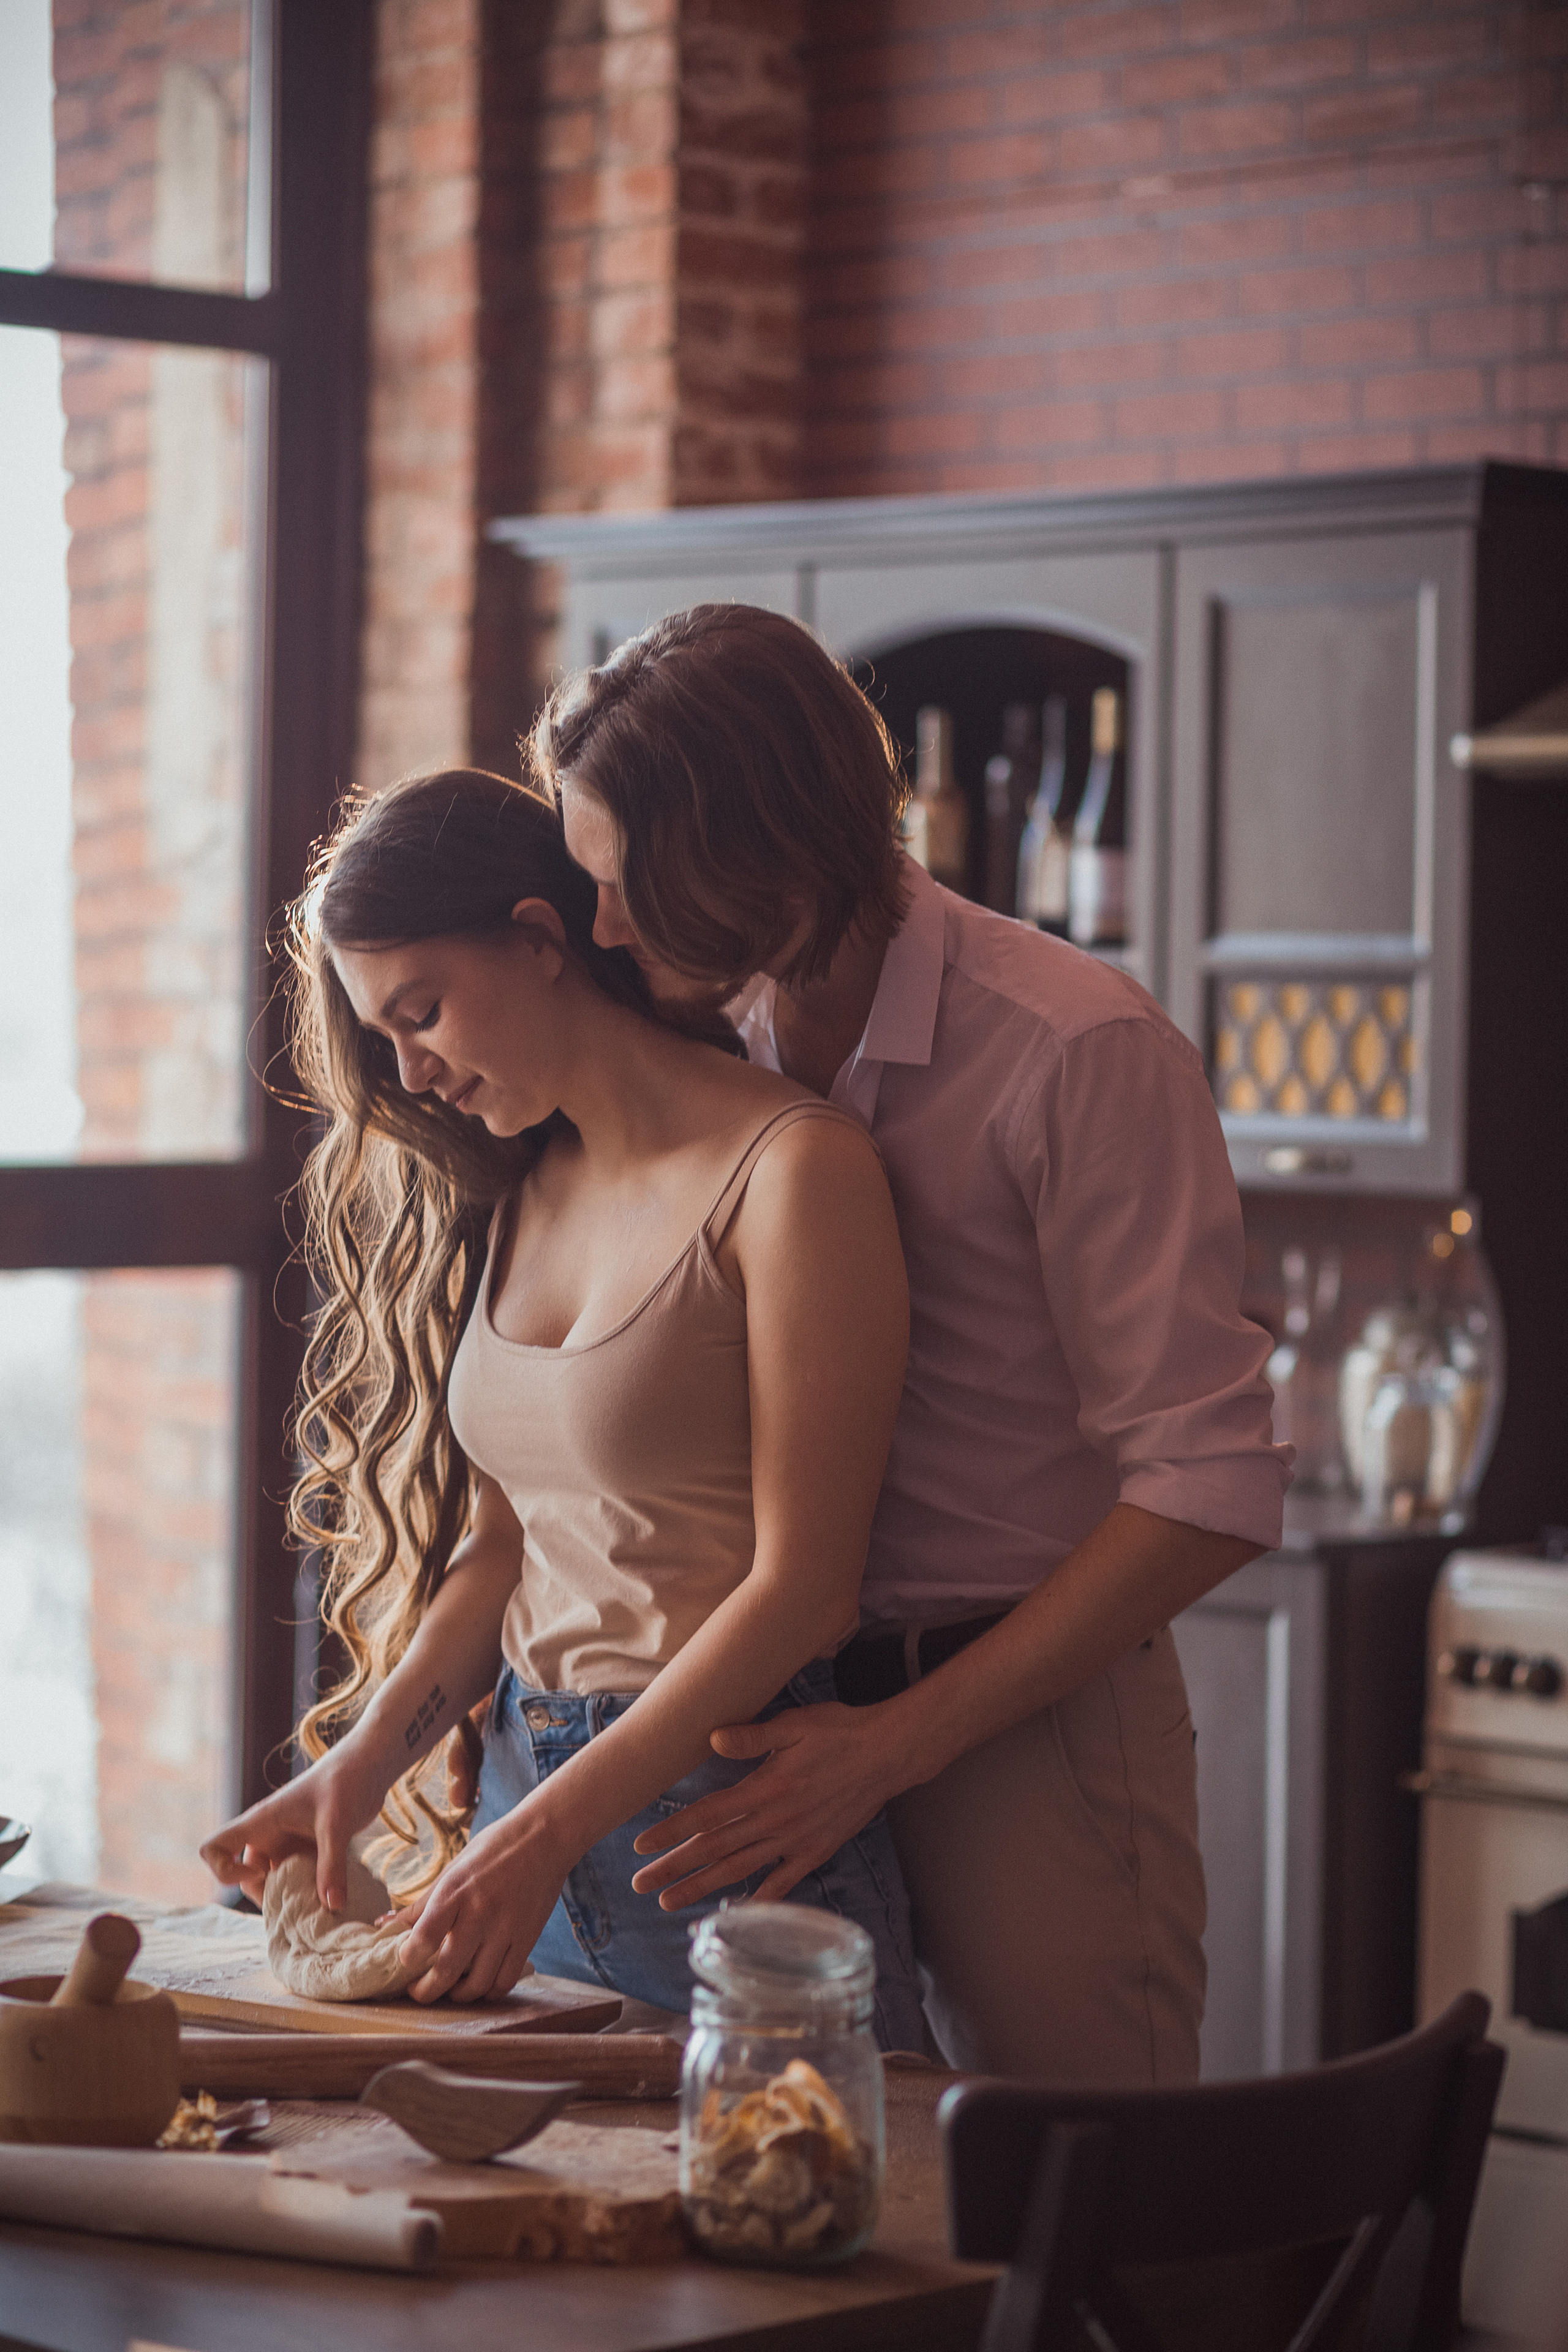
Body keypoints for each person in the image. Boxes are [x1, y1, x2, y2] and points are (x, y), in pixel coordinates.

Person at [532, 603, 1294, 2086]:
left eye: (628, 886)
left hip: (1025, 1720)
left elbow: (1208, 1482)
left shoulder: (1077, 1049)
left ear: (748, 847)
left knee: (1083, 2209)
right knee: (795, 2194)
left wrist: (896, 1746)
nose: (603, 930)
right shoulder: (692, 1041)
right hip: (764, 1718)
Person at [199, 768, 924, 2049]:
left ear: (539, 939)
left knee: (784, 2234)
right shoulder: (527, 1182)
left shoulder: (794, 1171)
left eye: (420, 1014)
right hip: (527, 1819)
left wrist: (543, 1834)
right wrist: (353, 1776)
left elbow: (806, 1589)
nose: (412, 1071)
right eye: (384, 1040)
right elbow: (505, 1548)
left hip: (718, 1840)